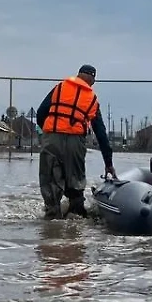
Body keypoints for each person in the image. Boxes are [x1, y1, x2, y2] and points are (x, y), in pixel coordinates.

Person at [36, 64, 116, 218]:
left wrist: (48, 132)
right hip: (75, 141)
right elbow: (101, 134)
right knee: (76, 180)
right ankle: (76, 215)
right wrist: (108, 163)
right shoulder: (91, 99)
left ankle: (52, 216)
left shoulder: (60, 88)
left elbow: (41, 112)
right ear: (92, 80)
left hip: (51, 138)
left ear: (78, 75)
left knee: (50, 180)